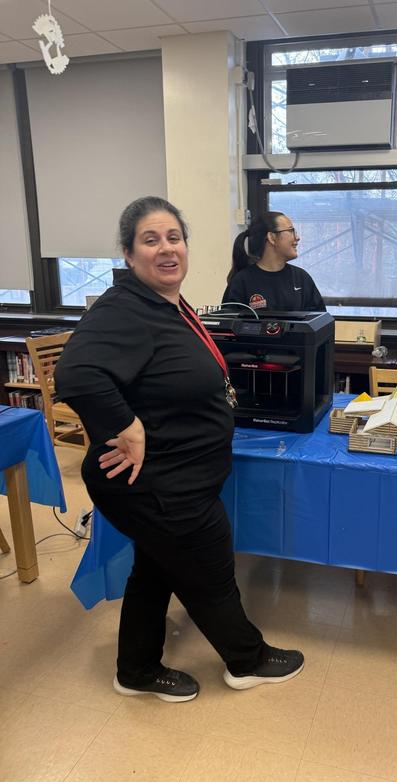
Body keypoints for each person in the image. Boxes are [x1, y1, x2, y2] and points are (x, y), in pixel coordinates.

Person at [55, 196, 304, 703]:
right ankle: (247, 659)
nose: (166, 249)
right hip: (160, 486)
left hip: (177, 478)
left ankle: (136, 670)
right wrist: (126, 426)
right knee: (210, 573)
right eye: (150, 240)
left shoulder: (166, 302)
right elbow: (76, 374)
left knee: (156, 568)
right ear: (128, 253)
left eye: (174, 238)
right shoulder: (125, 308)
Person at [222, 211, 326, 312]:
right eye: (291, 231)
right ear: (272, 237)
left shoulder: (301, 278)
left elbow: (320, 322)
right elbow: (227, 325)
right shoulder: (241, 282)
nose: (297, 238)